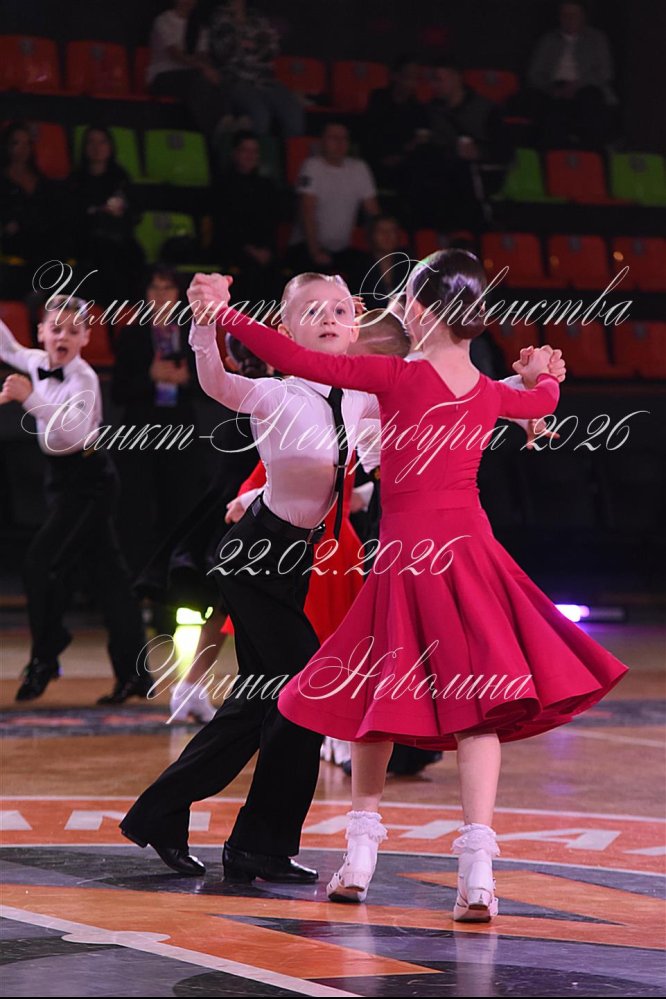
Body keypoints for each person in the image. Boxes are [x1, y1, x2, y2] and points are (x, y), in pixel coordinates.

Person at [194, 251, 629, 922]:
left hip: (405, 561)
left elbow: (294, 356)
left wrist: (223, 314)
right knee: (478, 708)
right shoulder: (485, 392)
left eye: (402, 303)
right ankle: (477, 873)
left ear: (420, 312)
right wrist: (542, 374)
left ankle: (360, 857)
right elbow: (541, 402)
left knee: (380, 699)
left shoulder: (394, 376)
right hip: (470, 556)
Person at [118, 271, 382, 881]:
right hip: (254, 557)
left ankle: (183, 820)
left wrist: (517, 393)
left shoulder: (360, 396)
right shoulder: (275, 394)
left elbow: (424, 394)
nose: (329, 318)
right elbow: (215, 381)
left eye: (340, 309)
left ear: (355, 323)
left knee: (259, 702)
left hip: (295, 561)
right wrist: (205, 323)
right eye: (311, 310)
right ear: (284, 328)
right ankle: (253, 840)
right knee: (305, 692)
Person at [0, 298, 151, 704]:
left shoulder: (84, 377)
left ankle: (46, 654)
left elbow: (74, 431)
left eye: (72, 330)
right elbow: (7, 347)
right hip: (61, 479)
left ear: (86, 337)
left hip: (90, 480)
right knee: (109, 577)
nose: (62, 336)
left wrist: (29, 398)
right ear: (41, 333)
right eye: (55, 328)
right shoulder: (35, 360)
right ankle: (135, 674)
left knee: (40, 562)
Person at [135, 333, 271, 725]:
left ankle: (192, 687)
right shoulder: (266, 397)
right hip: (250, 518)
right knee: (240, 608)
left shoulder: (247, 394)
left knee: (231, 609)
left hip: (244, 515)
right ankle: (261, 700)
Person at [112, 265, 203, 588]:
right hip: (140, 433)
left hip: (181, 432)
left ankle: (177, 582)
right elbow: (118, 392)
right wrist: (150, 378)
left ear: (178, 295)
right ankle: (136, 581)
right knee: (136, 508)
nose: (161, 295)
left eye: (168, 288)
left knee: (180, 506)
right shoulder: (132, 335)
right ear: (145, 294)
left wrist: (187, 379)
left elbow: (210, 387)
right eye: (155, 288)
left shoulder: (193, 334)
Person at [289, 122, 380, 275]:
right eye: (334, 138)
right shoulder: (312, 166)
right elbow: (307, 211)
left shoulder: (359, 168)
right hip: (307, 246)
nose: (339, 143)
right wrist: (315, 251)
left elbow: (373, 212)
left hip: (342, 249)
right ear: (322, 141)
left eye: (344, 138)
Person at [69, 126, 144, 304]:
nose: (97, 148)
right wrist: (99, 210)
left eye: (102, 142)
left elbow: (135, 214)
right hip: (86, 243)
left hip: (119, 242)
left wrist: (121, 210)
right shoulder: (76, 179)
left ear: (110, 147)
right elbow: (72, 215)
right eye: (91, 142)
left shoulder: (120, 177)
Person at [526, 0, 617, 147]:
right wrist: (552, 89)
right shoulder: (548, 40)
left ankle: (591, 153)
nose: (569, 19)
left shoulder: (597, 39)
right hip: (554, 87)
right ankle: (550, 155)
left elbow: (605, 73)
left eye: (573, 15)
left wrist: (577, 85)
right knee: (544, 109)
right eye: (565, 15)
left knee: (591, 102)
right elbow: (534, 74)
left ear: (583, 17)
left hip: (587, 87)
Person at [208, 0, 304, 137]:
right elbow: (224, 53)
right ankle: (250, 147)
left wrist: (246, 46)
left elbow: (272, 49)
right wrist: (255, 46)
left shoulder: (257, 17)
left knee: (294, 114)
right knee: (260, 114)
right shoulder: (220, 17)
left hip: (265, 78)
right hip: (236, 79)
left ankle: (285, 149)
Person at [212, 131, 282, 302]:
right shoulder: (223, 185)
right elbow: (225, 225)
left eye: (254, 151)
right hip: (233, 249)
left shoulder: (267, 186)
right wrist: (250, 250)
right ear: (235, 153)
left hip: (264, 250)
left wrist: (266, 250)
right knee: (250, 272)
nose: (250, 156)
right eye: (245, 150)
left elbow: (271, 222)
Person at [0, 122, 65, 298]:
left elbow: (50, 211)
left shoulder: (40, 179)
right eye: (16, 143)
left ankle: (41, 293)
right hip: (14, 239)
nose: (23, 149)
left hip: (41, 234)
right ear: (6, 145)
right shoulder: (3, 179)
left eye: (27, 143)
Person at [146, 0, 229, 138]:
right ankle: (211, 131)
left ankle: (225, 121)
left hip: (192, 75)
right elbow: (175, 54)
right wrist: (202, 67)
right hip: (162, 76)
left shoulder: (199, 26)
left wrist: (208, 68)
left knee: (217, 79)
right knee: (199, 81)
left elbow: (203, 55)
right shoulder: (163, 21)